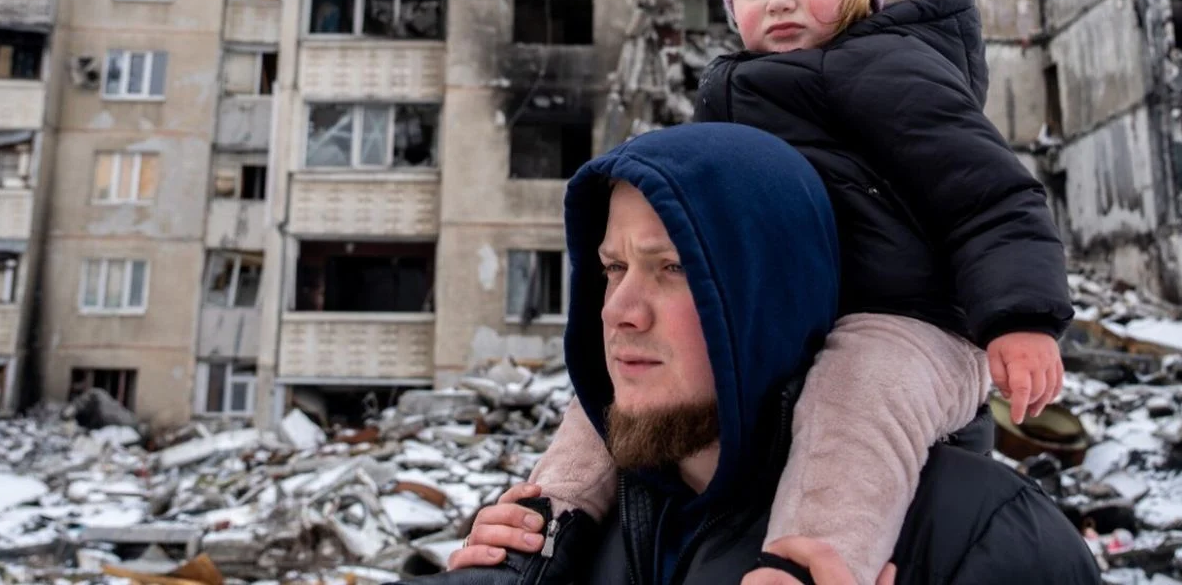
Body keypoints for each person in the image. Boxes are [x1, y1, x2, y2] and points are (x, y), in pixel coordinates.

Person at [509, 0, 1076, 584]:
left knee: (855, 387)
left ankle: (811, 559)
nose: (779, 2)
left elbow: (990, 198)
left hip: (913, 326)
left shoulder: (887, 68)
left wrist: (1020, 317)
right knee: (624, 381)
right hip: (791, 322)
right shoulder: (733, 95)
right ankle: (540, 526)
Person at [414, 124, 1096, 585]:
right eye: (612, 268)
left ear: (771, 296)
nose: (620, 310)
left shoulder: (985, 533)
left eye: (672, 268)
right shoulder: (572, 532)